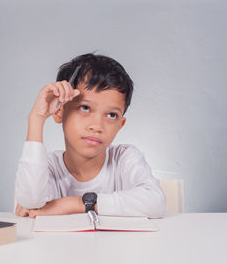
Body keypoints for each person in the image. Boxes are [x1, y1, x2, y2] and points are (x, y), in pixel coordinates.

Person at [14, 53, 166, 218]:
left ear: (120, 125)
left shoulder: (124, 158)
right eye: (85, 108)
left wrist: (76, 204)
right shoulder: (47, 167)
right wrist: (37, 117)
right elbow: (30, 202)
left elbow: (156, 203)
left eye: (111, 115)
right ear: (59, 111)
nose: (97, 126)